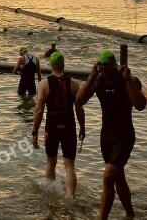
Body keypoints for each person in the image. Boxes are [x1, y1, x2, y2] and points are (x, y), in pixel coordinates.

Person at [77, 50, 147, 220]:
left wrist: (127, 80)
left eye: (108, 68)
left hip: (124, 136)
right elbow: (79, 101)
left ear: (115, 66)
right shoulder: (98, 80)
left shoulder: (129, 80)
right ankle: (130, 214)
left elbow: (140, 105)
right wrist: (91, 77)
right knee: (118, 177)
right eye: (102, 68)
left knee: (108, 175)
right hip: (106, 137)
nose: (106, 71)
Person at [31, 52, 84, 197]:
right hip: (69, 124)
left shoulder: (44, 84)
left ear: (51, 66)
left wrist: (34, 132)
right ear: (63, 65)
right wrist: (82, 127)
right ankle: (70, 197)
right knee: (69, 165)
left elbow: (39, 110)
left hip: (52, 125)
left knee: (50, 162)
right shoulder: (73, 83)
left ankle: (50, 196)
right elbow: (79, 108)